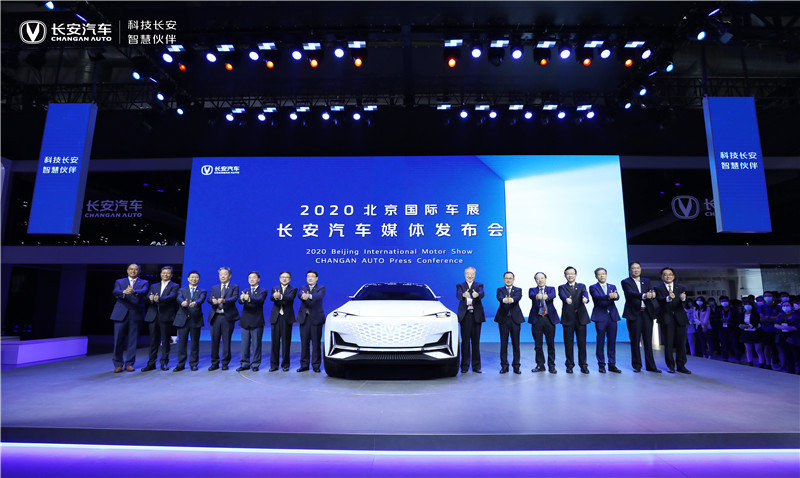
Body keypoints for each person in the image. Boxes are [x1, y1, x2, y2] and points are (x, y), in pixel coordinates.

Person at [620, 262, 660, 373]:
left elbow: (651, 291)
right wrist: (644, 295)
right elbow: (630, 293)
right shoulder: (625, 282)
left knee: (648, 341)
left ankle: (651, 366)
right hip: (634, 314)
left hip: (646, 313)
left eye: (638, 268)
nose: (636, 270)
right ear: (630, 270)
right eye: (633, 268)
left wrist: (653, 294)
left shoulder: (646, 281)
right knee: (635, 341)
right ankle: (637, 365)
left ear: (640, 269)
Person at [110, 264, 149, 372]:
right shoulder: (119, 281)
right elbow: (115, 291)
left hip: (135, 313)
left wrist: (134, 291)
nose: (133, 271)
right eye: (131, 269)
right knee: (118, 340)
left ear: (139, 271)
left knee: (133, 340)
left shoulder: (144, 282)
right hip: (120, 313)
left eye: (136, 269)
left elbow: (144, 291)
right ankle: (118, 364)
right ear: (127, 270)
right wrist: (123, 291)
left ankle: (129, 364)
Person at [142, 266, 180, 371]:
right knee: (153, 341)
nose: (165, 275)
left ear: (171, 275)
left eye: (168, 273)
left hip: (166, 316)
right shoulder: (154, 286)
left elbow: (172, 297)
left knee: (165, 341)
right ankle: (151, 363)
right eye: (163, 273)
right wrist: (150, 298)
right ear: (160, 274)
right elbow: (147, 297)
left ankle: (164, 363)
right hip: (153, 316)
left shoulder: (175, 286)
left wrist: (159, 299)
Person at [654, 267, 691, 374]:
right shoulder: (658, 288)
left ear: (673, 276)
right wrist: (668, 298)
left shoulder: (681, 287)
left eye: (670, 274)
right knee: (668, 344)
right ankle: (670, 366)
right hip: (666, 318)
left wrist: (683, 298)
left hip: (679, 318)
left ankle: (681, 366)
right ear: (662, 277)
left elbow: (685, 302)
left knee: (681, 343)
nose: (668, 276)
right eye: (665, 274)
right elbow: (658, 300)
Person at [206, 267, 240, 371]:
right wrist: (213, 301)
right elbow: (209, 298)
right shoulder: (214, 287)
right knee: (214, 341)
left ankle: (225, 363)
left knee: (226, 341)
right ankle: (214, 363)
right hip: (215, 317)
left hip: (227, 317)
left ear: (229, 275)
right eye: (221, 274)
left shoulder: (234, 287)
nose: (223, 276)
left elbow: (234, 298)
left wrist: (224, 300)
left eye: (225, 274)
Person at [589, 267, 622, 373]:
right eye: (599, 274)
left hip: (612, 317)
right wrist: (609, 296)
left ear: (606, 275)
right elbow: (597, 297)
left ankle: (612, 364)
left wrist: (615, 296)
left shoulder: (612, 286)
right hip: (600, 317)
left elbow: (617, 297)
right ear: (596, 276)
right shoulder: (593, 287)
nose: (602, 276)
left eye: (603, 274)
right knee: (600, 341)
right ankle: (601, 364)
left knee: (612, 342)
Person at [558, 266, 591, 374]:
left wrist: (586, 299)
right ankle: (569, 365)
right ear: (565, 275)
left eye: (572, 273)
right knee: (568, 343)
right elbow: (562, 295)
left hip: (581, 318)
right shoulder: (562, 287)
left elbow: (585, 293)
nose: (570, 275)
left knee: (582, 343)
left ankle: (583, 365)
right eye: (568, 274)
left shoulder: (581, 286)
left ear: (576, 275)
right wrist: (566, 299)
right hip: (568, 318)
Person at [173, 270, 206, 371]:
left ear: (198, 279)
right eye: (192, 277)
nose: (194, 279)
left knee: (195, 343)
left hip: (195, 319)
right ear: (188, 279)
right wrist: (182, 302)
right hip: (182, 319)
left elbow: (201, 299)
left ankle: (193, 363)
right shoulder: (181, 290)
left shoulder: (202, 291)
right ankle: (181, 364)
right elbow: (179, 298)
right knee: (182, 343)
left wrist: (195, 303)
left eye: (196, 277)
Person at [528, 272, 559, 374]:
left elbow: (553, 295)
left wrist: (546, 297)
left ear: (545, 279)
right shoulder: (532, 290)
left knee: (551, 344)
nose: (540, 280)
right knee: (538, 345)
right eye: (538, 278)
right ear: (535, 280)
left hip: (549, 319)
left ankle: (551, 366)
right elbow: (532, 296)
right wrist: (538, 296)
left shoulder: (551, 289)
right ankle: (540, 365)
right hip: (537, 319)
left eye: (542, 278)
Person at [456, 267, 485, 373]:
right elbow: (458, 294)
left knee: (476, 342)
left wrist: (477, 295)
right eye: (468, 273)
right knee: (465, 342)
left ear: (475, 274)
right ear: (465, 274)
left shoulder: (479, 285)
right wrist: (463, 295)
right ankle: (464, 366)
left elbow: (481, 293)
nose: (470, 276)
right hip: (465, 316)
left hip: (476, 316)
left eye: (472, 274)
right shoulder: (460, 285)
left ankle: (476, 366)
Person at [237, 271, 267, 372]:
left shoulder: (263, 291)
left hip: (257, 321)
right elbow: (240, 301)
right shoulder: (245, 290)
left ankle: (255, 364)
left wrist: (249, 299)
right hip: (245, 321)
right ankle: (244, 363)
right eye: (250, 277)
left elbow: (260, 300)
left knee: (256, 344)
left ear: (258, 279)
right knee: (244, 345)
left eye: (254, 277)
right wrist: (242, 299)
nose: (251, 279)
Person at [296, 270, 326, 373]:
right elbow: (300, 295)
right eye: (308, 276)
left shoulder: (321, 288)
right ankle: (304, 365)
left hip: (316, 319)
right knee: (304, 343)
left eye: (312, 276)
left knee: (316, 344)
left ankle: (316, 365)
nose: (310, 278)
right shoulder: (302, 288)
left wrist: (309, 296)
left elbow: (319, 296)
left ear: (316, 278)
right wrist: (303, 296)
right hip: (304, 319)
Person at [495, 272, 524, 374]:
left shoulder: (518, 289)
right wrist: (504, 300)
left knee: (516, 344)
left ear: (513, 279)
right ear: (504, 279)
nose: (508, 280)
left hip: (515, 320)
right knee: (504, 344)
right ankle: (504, 366)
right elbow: (499, 298)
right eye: (506, 278)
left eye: (510, 278)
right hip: (503, 320)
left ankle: (516, 366)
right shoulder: (500, 290)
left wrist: (510, 299)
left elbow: (517, 298)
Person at [269, 271, 297, 372]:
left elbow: (290, 298)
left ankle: (285, 364)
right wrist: (275, 296)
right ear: (279, 278)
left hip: (286, 318)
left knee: (286, 342)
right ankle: (274, 365)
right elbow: (272, 298)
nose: (284, 279)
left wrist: (280, 297)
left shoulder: (293, 289)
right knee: (274, 343)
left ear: (290, 279)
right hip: (276, 318)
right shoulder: (275, 288)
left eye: (286, 277)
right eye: (282, 277)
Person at [738, 298, 764, 367]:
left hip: (755, 333)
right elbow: (739, 322)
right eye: (746, 304)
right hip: (746, 333)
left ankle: (761, 363)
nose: (747, 306)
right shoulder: (742, 314)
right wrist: (741, 326)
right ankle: (750, 362)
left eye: (749, 304)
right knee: (748, 349)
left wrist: (748, 325)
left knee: (758, 349)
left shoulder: (756, 314)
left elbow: (757, 323)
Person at [758, 292, 780, 370]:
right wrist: (772, 318)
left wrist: (768, 318)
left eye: (769, 296)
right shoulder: (761, 307)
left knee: (777, 348)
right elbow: (761, 318)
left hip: (777, 330)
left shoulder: (778, 307)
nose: (768, 297)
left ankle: (776, 362)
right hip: (766, 330)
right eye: (766, 296)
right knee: (767, 347)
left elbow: (779, 318)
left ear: (773, 297)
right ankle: (768, 363)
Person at [717, 296, 741, 363]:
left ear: (728, 301)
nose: (724, 302)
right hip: (722, 329)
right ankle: (725, 358)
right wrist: (720, 319)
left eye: (725, 301)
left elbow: (738, 319)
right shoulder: (719, 310)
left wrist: (730, 321)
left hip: (732, 329)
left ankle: (737, 358)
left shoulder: (734, 309)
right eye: (722, 301)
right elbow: (715, 319)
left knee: (734, 344)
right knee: (724, 344)